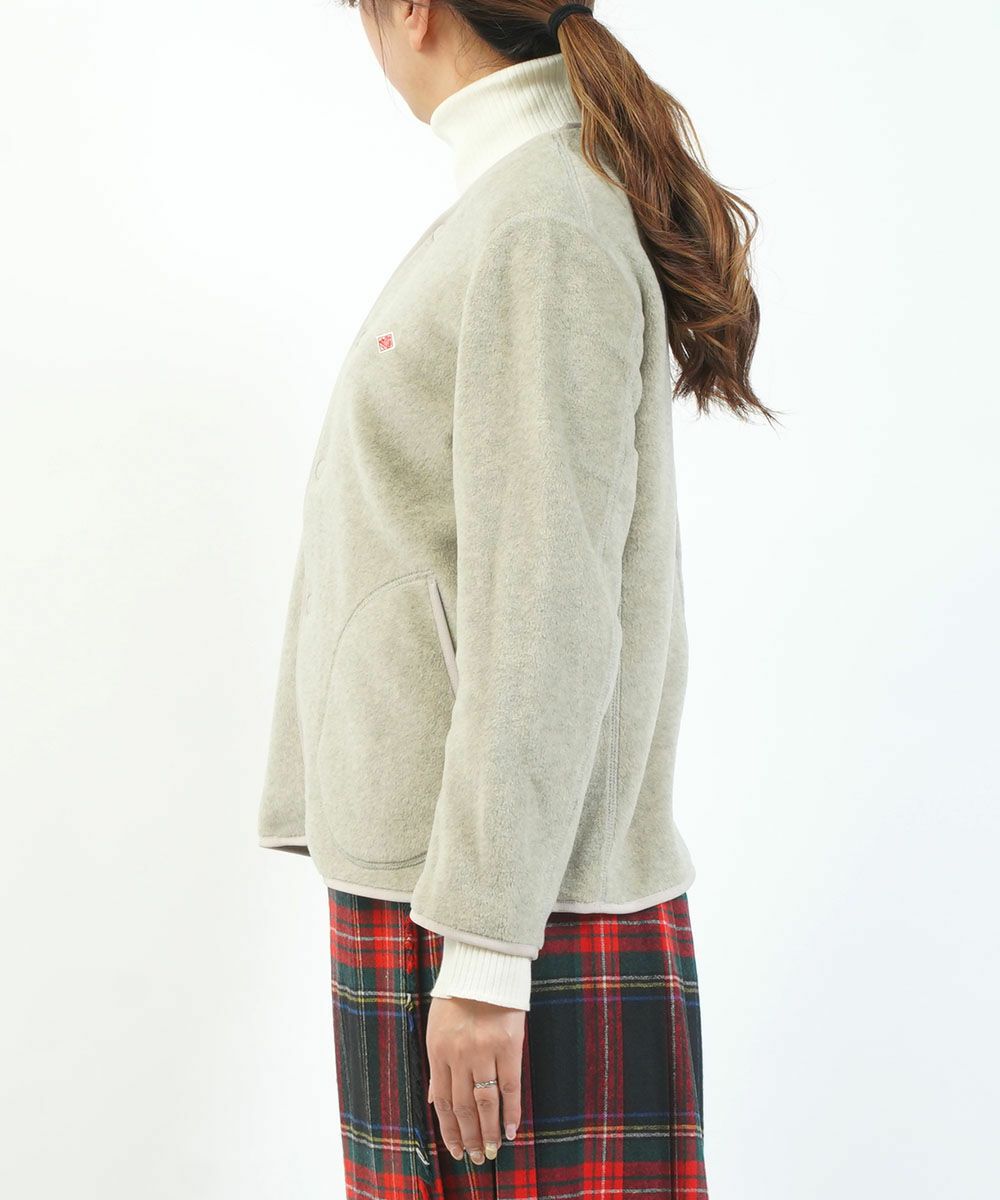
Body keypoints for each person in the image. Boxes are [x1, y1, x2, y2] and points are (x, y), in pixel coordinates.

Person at [257, 2, 769, 1196]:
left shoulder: (541, 223)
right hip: (453, 883)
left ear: (413, 11)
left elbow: (548, 596)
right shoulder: (512, 206)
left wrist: (487, 956)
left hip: (497, 908)